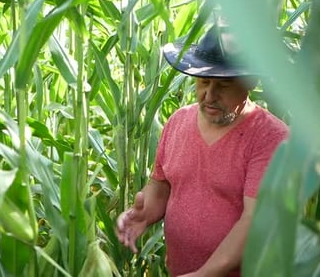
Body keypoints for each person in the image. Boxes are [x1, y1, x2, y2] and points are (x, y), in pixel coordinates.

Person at [116, 24, 289, 277]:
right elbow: (161, 185)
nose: (209, 95)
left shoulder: (271, 138)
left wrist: (205, 274)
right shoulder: (178, 122)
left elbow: (255, 221)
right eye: (203, 81)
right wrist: (143, 214)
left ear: (250, 83)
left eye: (224, 85)